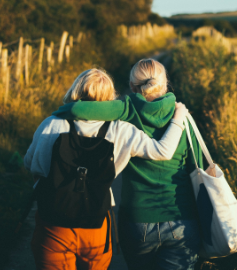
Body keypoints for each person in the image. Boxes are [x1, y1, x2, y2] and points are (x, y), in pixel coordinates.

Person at [24, 68, 190, 270]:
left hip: (53, 222)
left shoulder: (52, 123)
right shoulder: (121, 129)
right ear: (111, 98)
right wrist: (179, 117)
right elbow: (162, 151)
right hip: (96, 223)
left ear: (75, 89)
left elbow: (31, 164)